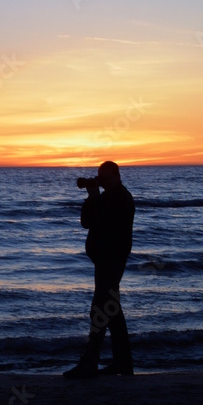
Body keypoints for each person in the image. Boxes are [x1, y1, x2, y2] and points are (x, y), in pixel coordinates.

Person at [63, 161, 135, 379]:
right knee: (111, 311)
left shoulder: (122, 198)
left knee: (100, 311)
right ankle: (122, 363)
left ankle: (90, 363)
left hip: (112, 261)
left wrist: (94, 197)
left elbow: (106, 224)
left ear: (117, 176)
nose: (102, 182)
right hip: (103, 261)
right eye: (99, 177)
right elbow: (86, 222)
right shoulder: (105, 198)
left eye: (105, 178)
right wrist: (92, 197)